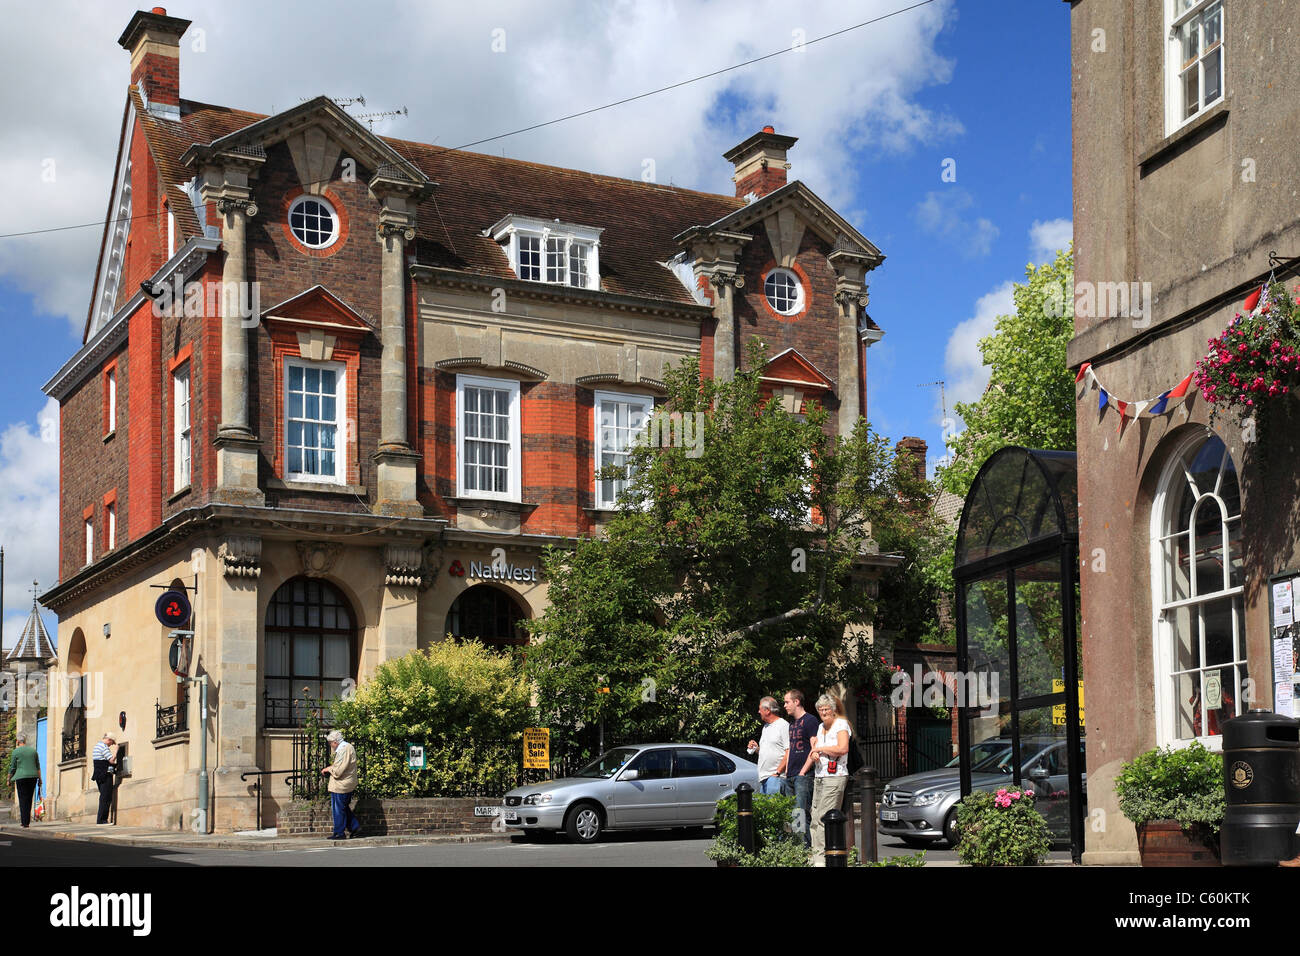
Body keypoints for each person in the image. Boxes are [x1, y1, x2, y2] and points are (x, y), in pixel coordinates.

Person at [798, 693, 851, 867]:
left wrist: (821, 748)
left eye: (826, 709)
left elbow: (843, 748)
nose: (823, 712)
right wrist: (814, 753)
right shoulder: (820, 727)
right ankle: (816, 857)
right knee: (814, 818)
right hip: (820, 776)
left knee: (823, 818)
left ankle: (822, 860)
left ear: (833, 710)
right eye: (820, 710)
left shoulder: (841, 725)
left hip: (835, 777)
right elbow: (815, 749)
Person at [783, 688, 819, 845]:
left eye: (787, 702)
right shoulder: (792, 724)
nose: (784, 705)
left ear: (796, 702)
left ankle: (802, 849)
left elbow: (814, 747)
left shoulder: (810, 720)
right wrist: (786, 771)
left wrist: (803, 771)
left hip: (803, 776)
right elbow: (791, 748)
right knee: (789, 813)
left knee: (800, 812)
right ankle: (792, 846)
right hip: (790, 775)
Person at [745, 697, 790, 795]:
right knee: (766, 810)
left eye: (760, 709)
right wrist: (756, 748)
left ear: (767, 710)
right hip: (764, 778)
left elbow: (789, 751)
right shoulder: (765, 727)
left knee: (775, 809)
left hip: (776, 778)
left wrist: (777, 772)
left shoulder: (783, 725)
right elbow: (770, 751)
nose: (758, 711)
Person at [321, 729, 361, 840]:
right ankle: (354, 827)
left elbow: (338, 770)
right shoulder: (345, 748)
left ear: (335, 742)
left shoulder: (344, 749)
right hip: (343, 783)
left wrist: (328, 769)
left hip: (342, 784)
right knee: (343, 807)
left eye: (330, 743)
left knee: (338, 809)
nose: (330, 746)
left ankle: (339, 832)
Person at [7, 733, 41, 828]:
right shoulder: (33, 751)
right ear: (25, 741)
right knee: (29, 798)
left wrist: (8, 779)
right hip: (33, 777)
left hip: (21, 777)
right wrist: (40, 779)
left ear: (17, 741)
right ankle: (27, 821)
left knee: (22, 799)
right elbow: (38, 766)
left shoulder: (16, 752)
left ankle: (24, 822)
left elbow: (12, 767)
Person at [91, 733, 118, 825]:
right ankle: (102, 820)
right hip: (104, 775)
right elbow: (111, 760)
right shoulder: (103, 747)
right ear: (109, 740)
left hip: (99, 775)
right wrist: (116, 751)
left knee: (103, 796)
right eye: (111, 742)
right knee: (106, 797)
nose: (111, 745)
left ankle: (101, 819)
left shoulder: (97, 746)